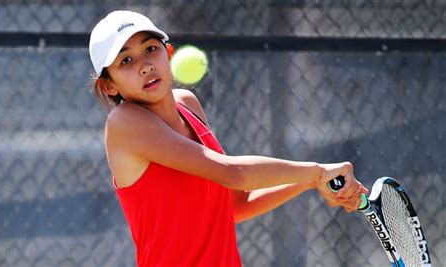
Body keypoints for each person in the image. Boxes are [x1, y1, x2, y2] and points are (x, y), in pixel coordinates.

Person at [88, 10, 368, 267]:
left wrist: (310, 181)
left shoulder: (188, 103)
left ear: (168, 53)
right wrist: (317, 171)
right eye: (126, 60)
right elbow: (231, 172)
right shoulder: (124, 123)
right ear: (109, 85)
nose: (145, 65)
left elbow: (236, 205)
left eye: (151, 49)